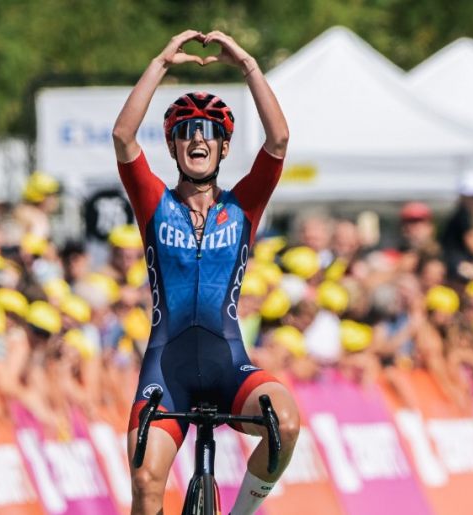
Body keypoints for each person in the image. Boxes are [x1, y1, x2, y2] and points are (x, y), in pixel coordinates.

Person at [112, 29, 299, 515]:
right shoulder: (155, 203)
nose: (199, 138)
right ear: (173, 146)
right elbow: (123, 137)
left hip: (227, 363)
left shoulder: (243, 205)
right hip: (166, 367)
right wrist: (160, 62)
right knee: (145, 482)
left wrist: (248, 65)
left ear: (224, 148)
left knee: (285, 424)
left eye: (210, 131)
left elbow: (279, 139)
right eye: (188, 131)